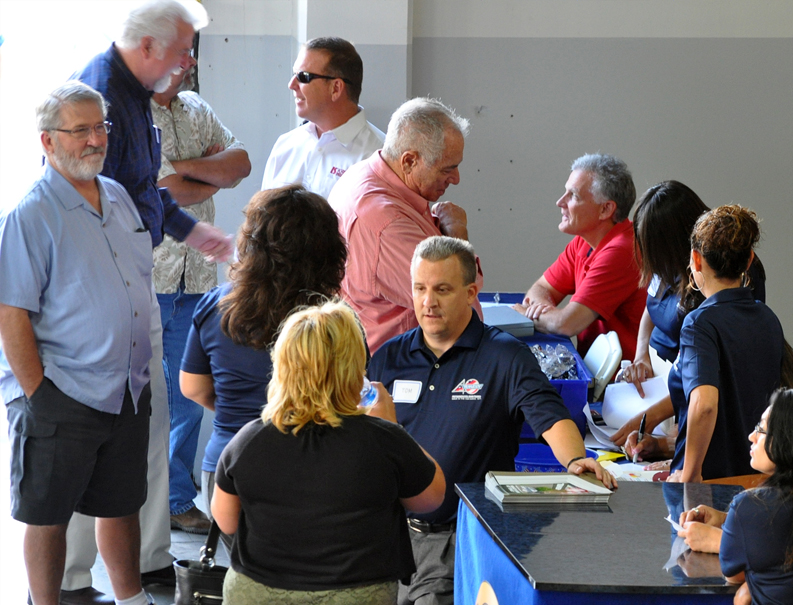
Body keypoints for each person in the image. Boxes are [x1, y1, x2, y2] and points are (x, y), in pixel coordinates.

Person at [69, 0, 235, 596]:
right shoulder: (97, 99)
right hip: (100, 294)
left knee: (150, 420)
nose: (189, 62)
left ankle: (148, 555)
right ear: (147, 47)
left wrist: (196, 233)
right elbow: (87, 204)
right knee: (92, 434)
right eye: (184, 50)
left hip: (137, 283)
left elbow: (144, 191)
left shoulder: (138, 96)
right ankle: (72, 575)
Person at [368, 235, 615, 605]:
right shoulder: (388, 358)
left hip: (458, 540)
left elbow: (549, 415)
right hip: (388, 538)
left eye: (442, 289)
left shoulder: (504, 356)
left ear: (471, 293)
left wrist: (576, 460)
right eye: (419, 288)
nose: (428, 302)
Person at [0, 82, 154, 605]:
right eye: (81, 130)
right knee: (47, 515)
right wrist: (38, 395)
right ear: (48, 141)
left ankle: (131, 598)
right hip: (61, 392)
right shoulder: (29, 214)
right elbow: (11, 312)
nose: (96, 139)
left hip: (126, 390)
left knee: (121, 505)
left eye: (101, 127)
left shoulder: (117, 196)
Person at [210, 301, 446, 604]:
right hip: (356, 593)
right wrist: (392, 425)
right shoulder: (383, 439)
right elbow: (432, 498)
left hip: (259, 590)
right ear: (354, 369)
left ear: (282, 366)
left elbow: (226, 522)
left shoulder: (248, 440)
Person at [179, 185, 348, 550]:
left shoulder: (216, 305)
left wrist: (242, 407)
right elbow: (347, 398)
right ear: (327, 250)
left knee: (248, 570)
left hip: (227, 468)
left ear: (251, 241)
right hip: (312, 470)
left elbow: (192, 388)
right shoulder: (334, 320)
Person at [151, 59, 251, 535]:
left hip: (196, 282)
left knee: (189, 400)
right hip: (149, 278)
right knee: (145, 398)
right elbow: (166, 192)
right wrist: (207, 173)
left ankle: (174, 501)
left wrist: (182, 167)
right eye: (180, 52)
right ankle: (139, 503)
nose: (190, 61)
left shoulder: (195, 107)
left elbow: (240, 164)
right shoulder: (132, 113)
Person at [627, 205, 783, 482]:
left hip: (709, 483)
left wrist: (690, 474)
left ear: (696, 260)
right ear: (749, 260)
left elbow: (705, 405)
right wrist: (665, 446)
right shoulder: (768, 318)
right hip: (754, 477)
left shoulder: (699, 324)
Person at [610, 181, 766, 448]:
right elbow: (652, 305)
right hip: (661, 384)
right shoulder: (670, 264)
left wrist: (652, 424)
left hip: (689, 392)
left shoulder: (717, 279)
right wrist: (641, 354)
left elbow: (707, 379)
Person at [329, 97, 483, 353]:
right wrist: (458, 237)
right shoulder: (388, 224)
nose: (455, 179)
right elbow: (464, 319)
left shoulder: (363, 174)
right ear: (409, 161)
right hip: (400, 370)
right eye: (447, 169)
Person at [514, 153, 646, 361]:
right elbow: (540, 288)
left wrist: (524, 314)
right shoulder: (583, 241)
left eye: (573, 196)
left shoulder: (622, 250)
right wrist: (543, 311)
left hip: (623, 379)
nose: (560, 202)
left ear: (605, 209)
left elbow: (566, 324)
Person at [676, 389, 793, 605]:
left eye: (762, 429)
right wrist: (726, 519)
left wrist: (717, 540)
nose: (751, 436)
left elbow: (735, 575)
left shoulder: (751, 506)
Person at [261, 36, 384, 198]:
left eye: (303, 76)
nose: (291, 85)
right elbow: (263, 212)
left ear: (336, 88)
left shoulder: (378, 157)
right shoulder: (285, 145)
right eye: (294, 74)